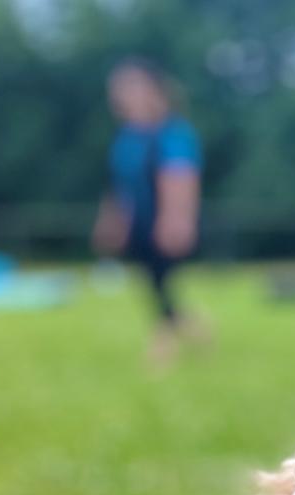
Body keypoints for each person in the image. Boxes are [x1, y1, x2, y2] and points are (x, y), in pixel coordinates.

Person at [93, 59, 205, 365]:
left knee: (163, 282)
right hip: (138, 224)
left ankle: (162, 348)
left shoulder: (173, 133)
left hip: (164, 222)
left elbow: (181, 178)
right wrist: (112, 222)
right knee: (154, 286)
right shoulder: (126, 138)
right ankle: (195, 328)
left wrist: (176, 220)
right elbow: (119, 187)